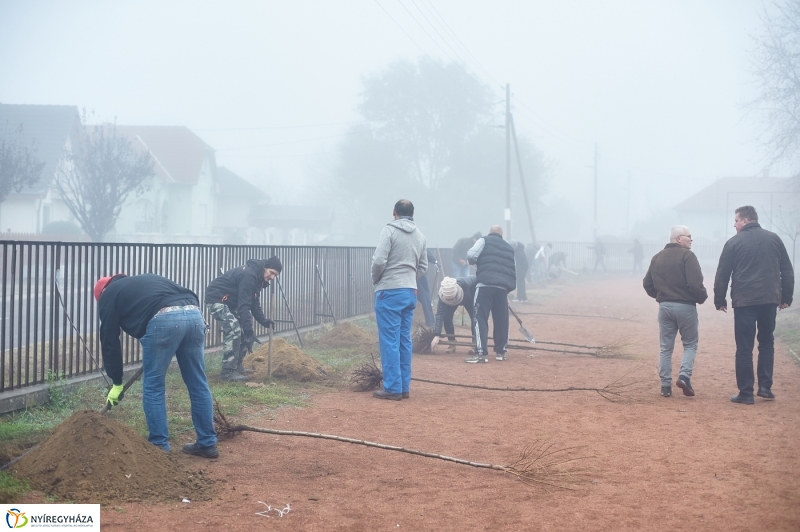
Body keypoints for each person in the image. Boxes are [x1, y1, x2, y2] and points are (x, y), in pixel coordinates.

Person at [95, 273, 218, 458]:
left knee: (153, 386)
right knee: (198, 382)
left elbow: (109, 340)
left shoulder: (108, 294)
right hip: (194, 313)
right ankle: (207, 443)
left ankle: (159, 447)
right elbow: (184, 296)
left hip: (164, 320)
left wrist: (117, 382)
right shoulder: (143, 282)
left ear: (101, 293)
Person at [714, 206, 794, 405]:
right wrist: (786, 296)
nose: (734, 224)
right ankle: (765, 388)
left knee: (744, 347)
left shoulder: (733, 242)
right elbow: (787, 270)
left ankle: (746, 392)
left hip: (744, 301)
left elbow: (722, 273)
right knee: (767, 342)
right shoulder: (774, 239)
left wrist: (719, 299)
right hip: (769, 299)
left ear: (745, 221)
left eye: (736, 221)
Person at [371, 199, 428, 400]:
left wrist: (377, 280)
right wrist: (410, 279)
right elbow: (423, 267)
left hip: (389, 291)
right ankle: (403, 386)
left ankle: (392, 388)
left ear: (394, 212)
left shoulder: (389, 231)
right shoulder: (420, 235)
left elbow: (379, 260)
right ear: (412, 213)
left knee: (389, 340)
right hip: (409, 292)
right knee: (404, 339)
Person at [643, 226, 708, 398]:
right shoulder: (688, 256)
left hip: (664, 307)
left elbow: (647, 284)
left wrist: (660, 296)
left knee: (665, 348)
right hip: (685, 306)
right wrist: (702, 297)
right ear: (679, 239)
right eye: (689, 236)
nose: (691, 240)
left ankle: (665, 386)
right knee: (690, 344)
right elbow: (695, 284)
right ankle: (684, 376)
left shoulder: (657, 257)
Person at [205, 257, 282, 381]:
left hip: (229, 304)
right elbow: (244, 306)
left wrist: (263, 321)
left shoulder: (258, 278)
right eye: (271, 272)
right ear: (265, 267)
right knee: (235, 330)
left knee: (244, 331)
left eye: (275, 275)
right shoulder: (249, 275)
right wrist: (250, 332)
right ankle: (227, 372)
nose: (272, 277)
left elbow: (254, 303)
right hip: (217, 300)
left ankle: (237, 366)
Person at [465, 225, 516, 363]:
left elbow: (471, 255)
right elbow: (512, 269)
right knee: (501, 320)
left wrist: (474, 263)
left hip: (485, 285)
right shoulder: (509, 248)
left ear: (490, 232)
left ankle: (481, 353)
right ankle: (501, 352)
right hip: (502, 288)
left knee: (480, 317)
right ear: (502, 234)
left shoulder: (484, 240)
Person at [429, 276, 477, 353]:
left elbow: (476, 279)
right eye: (449, 299)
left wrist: (474, 295)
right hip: (453, 300)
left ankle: (475, 342)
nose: (451, 300)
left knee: (475, 317)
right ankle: (452, 342)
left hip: (468, 297)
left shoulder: (464, 283)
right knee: (446, 317)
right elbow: (440, 314)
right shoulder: (442, 295)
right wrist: (437, 334)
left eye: (451, 298)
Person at [416, 250, 439, 327]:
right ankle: (430, 321)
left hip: (410, 273)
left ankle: (430, 321)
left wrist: (435, 261)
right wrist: (435, 261)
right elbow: (425, 251)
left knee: (424, 297)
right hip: (419, 273)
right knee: (425, 297)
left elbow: (425, 251)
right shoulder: (419, 241)